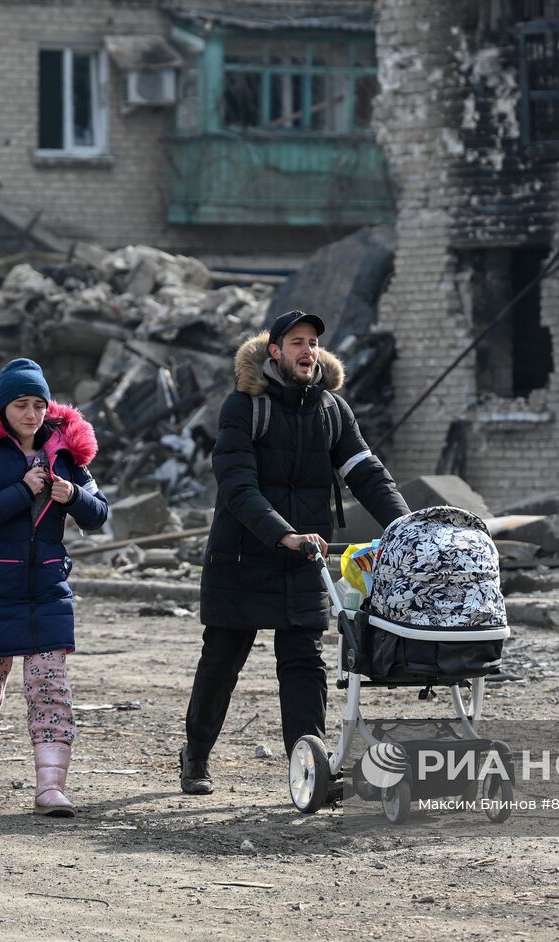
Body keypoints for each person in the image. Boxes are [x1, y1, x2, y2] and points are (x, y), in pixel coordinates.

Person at [180, 310, 410, 795]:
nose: (307, 351)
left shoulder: (332, 410)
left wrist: (407, 526)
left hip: (305, 558)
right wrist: (282, 532)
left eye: (312, 342)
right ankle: (195, 755)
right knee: (222, 661)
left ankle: (310, 771)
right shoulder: (243, 407)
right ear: (275, 352)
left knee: (305, 665)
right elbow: (237, 485)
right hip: (242, 555)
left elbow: (366, 473)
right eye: (296, 342)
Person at [0, 357, 109, 816]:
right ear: (2, 408)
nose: (31, 414)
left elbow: (100, 514)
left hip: (48, 589)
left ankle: (51, 789)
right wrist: (21, 490)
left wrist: (74, 495)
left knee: (50, 688)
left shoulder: (68, 454)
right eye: (20, 405)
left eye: (38, 404)